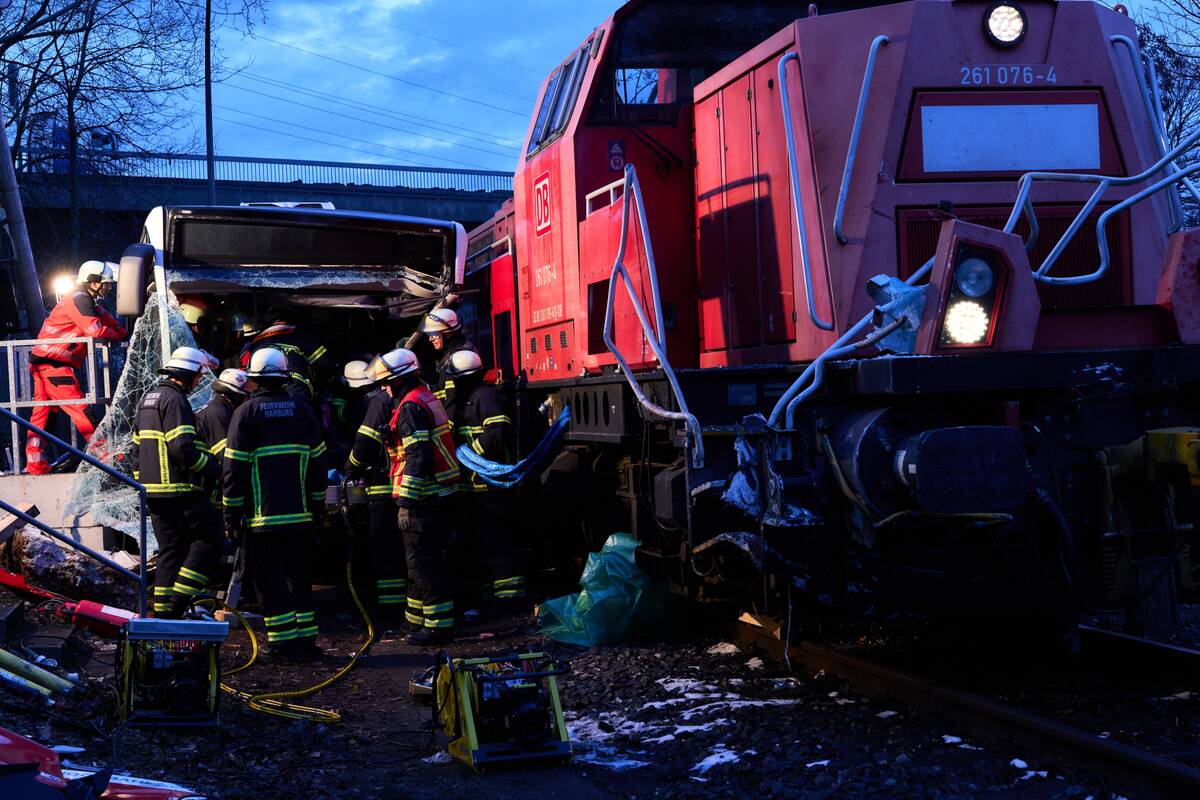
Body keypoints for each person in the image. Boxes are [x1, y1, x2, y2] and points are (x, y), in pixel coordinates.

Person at [222, 347, 327, 661]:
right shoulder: (302, 410)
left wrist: (231, 514)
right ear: (284, 377)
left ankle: (281, 645)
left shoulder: (246, 413)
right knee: (300, 578)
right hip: (301, 516)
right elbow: (319, 462)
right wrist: (318, 507)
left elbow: (234, 469)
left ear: (254, 379)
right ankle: (306, 643)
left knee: (270, 580)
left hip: (261, 520)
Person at [376, 348, 460, 645]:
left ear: (399, 379)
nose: (384, 388)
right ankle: (413, 621)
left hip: (423, 499)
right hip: (439, 494)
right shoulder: (425, 396)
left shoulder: (411, 407)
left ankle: (438, 627)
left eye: (387, 382)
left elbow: (418, 457)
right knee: (419, 563)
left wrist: (406, 504)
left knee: (423, 564)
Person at [133, 347, 222, 618]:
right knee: (211, 539)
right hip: (178, 490)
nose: (198, 382)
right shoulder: (175, 400)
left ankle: (163, 614)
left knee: (171, 549)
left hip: (152, 493)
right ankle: (179, 601)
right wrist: (213, 470)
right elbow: (182, 446)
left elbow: (137, 451)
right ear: (188, 374)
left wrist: (144, 486)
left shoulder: (148, 399)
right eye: (197, 377)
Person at [25, 261, 127, 475]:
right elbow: (96, 330)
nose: (109, 287)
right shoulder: (79, 299)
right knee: (81, 410)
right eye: (106, 283)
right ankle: (106, 458)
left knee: (43, 415)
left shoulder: (84, 300)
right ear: (94, 282)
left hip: (45, 364)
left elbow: (104, 317)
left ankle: (36, 464)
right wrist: (118, 334)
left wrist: (119, 329)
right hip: (54, 366)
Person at [445, 351, 526, 611]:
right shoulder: (466, 398)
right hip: (475, 487)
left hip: (489, 486)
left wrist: (469, 457)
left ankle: (509, 596)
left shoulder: (484, 396)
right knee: (482, 540)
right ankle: (496, 592)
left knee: (496, 539)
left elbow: (498, 431)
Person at [342, 364, 407, 628]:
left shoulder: (376, 401)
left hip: (381, 487)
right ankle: (406, 609)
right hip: (407, 486)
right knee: (406, 552)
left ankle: (390, 613)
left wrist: (350, 466)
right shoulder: (415, 394)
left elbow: (365, 443)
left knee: (385, 552)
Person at [238, 305, 334, 399]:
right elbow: (324, 365)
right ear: (291, 317)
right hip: (296, 389)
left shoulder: (256, 340)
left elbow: (244, 368)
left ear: (269, 321)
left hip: (262, 392)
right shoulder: (303, 334)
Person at [196, 368, 249, 503]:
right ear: (236, 395)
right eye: (247, 395)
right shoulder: (218, 414)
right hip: (211, 494)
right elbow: (229, 458)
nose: (249, 400)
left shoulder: (221, 409)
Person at [419, 308, 474, 420]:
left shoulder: (458, 358)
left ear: (449, 333)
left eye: (433, 334)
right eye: (429, 334)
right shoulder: (449, 353)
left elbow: (452, 400)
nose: (430, 339)